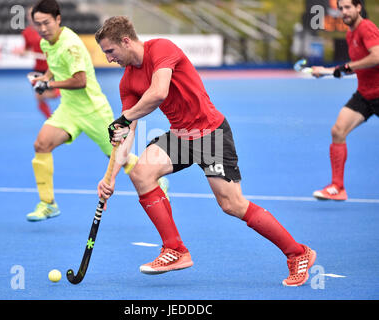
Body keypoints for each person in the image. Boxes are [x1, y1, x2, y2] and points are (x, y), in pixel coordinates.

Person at [95, 16, 316, 286]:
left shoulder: (161, 49)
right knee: (140, 173)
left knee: (232, 205)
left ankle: (297, 253)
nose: (108, 59)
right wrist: (110, 178)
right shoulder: (127, 82)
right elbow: (126, 133)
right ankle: (175, 249)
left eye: (110, 51)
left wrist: (126, 117)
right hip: (182, 135)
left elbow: (159, 92)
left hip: (211, 133)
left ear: (125, 41)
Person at [26, 0, 168, 221]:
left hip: (92, 110)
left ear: (58, 19)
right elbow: (54, 68)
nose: (43, 29)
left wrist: (49, 86)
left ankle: (157, 181)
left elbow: (80, 80)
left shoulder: (70, 44)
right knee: (41, 144)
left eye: (46, 23)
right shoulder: (46, 44)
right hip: (69, 109)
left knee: (117, 156)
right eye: (38, 24)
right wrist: (43, 79)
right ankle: (48, 203)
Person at [312, 0, 379, 201]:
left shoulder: (366, 28)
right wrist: (327, 71)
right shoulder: (350, 33)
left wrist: (347, 67)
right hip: (365, 95)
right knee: (338, 131)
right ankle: (337, 188)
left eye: (348, 7)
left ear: (359, 8)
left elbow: (377, 57)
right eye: (341, 8)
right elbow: (356, 66)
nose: (344, 12)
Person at [15, 6, 59, 119]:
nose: (31, 17)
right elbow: (27, 49)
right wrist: (21, 52)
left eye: (33, 15)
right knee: (39, 96)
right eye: (29, 15)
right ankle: (51, 119)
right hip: (38, 69)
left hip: (52, 67)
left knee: (56, 94)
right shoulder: (26, 33)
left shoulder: (48, 29)